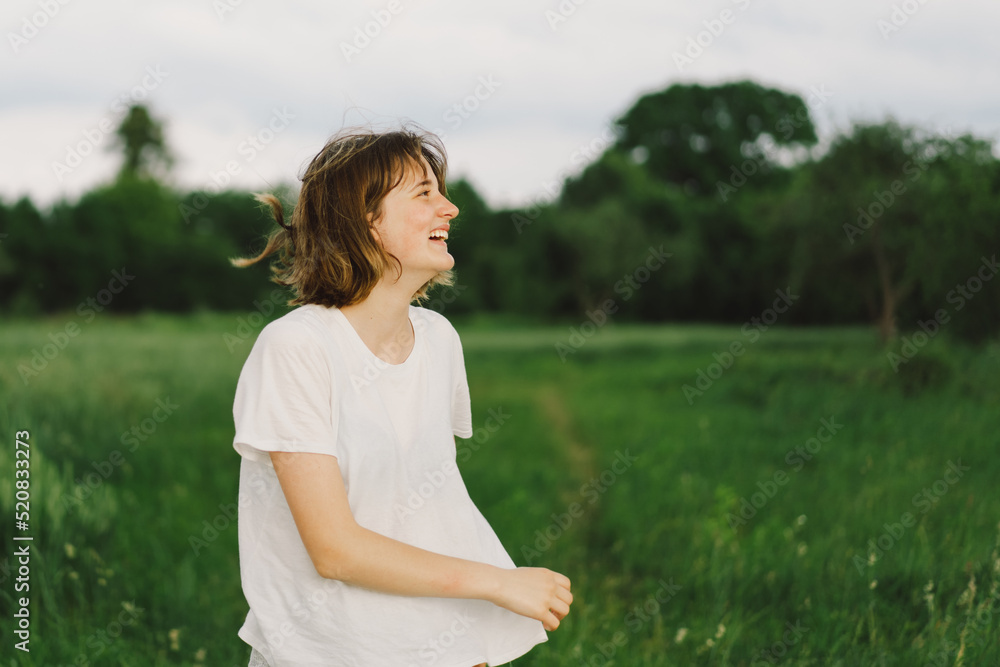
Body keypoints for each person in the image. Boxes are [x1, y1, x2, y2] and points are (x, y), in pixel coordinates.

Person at [229, 125, 573, 666]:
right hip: (330, 652)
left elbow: (435, 507)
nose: (450, 208)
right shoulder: (296, 348)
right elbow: (335, 550)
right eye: (424, 193)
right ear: (364, 221)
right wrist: (498, 583)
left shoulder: (438, 338)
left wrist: (470, 645)